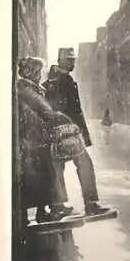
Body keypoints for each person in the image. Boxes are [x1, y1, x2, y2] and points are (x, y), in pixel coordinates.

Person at [42, 49, 109, 217]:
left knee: (66, 166)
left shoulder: (65, 80)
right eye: (69, 60)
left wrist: (82, 135)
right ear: (60, 61)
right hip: (62, 132)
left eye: (73, 60)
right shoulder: (56, 81)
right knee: (70, 166)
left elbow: (76, 111)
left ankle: (63, 205)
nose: (73, 63)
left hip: (70, 132)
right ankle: (83, 204)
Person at [17, 57, 74, 223]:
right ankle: (48, 210)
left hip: (37, 138)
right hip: (31, 140)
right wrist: (59, 117)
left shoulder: (31, 88)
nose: (39, 74)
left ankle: (46, 210)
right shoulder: (26, 88)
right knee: (38, 176)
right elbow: (44, 110)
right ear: (31, 71)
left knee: (44, 175)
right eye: (37, 71)